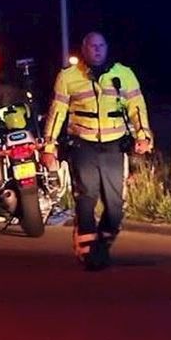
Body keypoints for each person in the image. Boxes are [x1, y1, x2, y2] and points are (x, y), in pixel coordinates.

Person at [42, 32, 153, 270]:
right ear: (84, 49)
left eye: (101, 45)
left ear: (107, 47)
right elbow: (57, 112)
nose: (97, 50)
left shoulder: (124, 74)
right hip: (83, 144)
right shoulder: (68, 76)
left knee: (115, 206)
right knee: (86, 197)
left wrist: (143, 136)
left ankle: (101, 246)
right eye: (92, 46)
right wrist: (49, 146)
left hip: (114, 144)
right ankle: (89, 253)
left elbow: (137, 107)